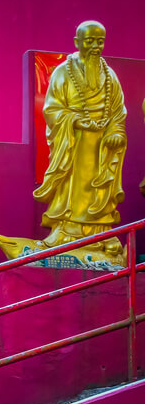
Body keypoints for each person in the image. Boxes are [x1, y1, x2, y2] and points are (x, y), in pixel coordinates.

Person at [35, 20, 126, 257]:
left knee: (100, 186)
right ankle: (68, 230)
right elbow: (52, 109)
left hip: (103, 147)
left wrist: (116, 132)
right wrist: (74, 121)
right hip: (73, 142)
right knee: (72, 185)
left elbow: (118, 111)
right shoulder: (62, 72)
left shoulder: (110, 75)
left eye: (100, 41)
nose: (96, 46)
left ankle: (102, 231)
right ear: (77, 42)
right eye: (89, 41)